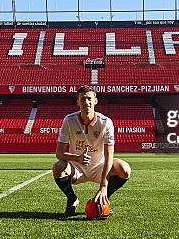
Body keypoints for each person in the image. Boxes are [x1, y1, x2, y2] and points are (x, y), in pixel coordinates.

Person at [52, 85, 131, 217]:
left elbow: (109, 155)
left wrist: (103, 186)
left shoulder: (105, 122)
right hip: (76, 168)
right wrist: (77, 158)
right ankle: (72, 199)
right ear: (78, 102)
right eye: (82, 99)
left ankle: (104, 199)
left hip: (99, 168)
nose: (86, 102)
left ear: (95, 101)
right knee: (58, 167)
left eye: (89, 99)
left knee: (124, 168)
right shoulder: (69, 120)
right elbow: (59, 153)